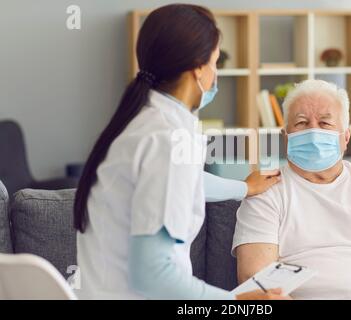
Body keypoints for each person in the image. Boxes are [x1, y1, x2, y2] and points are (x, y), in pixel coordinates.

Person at [74, 4, 285, 300]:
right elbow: (153, 276)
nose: (215, 73)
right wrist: (235, 303)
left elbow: (182, 180)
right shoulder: (168, 139)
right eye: (215, 62)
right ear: (198, 68)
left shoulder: (141, 123)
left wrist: (243, 187)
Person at [232, 79, 351, 300]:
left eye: (325, 123)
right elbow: (254, 277)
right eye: (302, 123)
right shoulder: (265, 189)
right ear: (286, 137)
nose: (313, 132)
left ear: (346, 137)